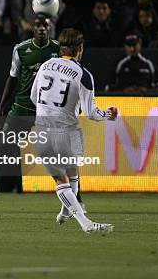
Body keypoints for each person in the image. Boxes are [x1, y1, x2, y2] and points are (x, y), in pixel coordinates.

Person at [0, 16, 71, 211]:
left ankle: (75, 199)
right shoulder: (21, 49)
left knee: (61, 155)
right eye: (38, 25)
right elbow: (12, 78)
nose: (42, 28)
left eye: (45, 25)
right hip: (22, 108)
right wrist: (1, 108)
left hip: (48, 110)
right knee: (1, 151)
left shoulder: (59, 50)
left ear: (50, 28)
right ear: (32, 28)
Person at [31, 28, 117, 234]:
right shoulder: (83, 74)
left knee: (64, 178)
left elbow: (34, 97)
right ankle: (86, 223)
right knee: (70, 176)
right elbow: (92, 113)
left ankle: (65, 212)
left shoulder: (45, 66)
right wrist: (109, 114)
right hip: (67, 132)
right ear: (80, 48)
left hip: (43, 129)